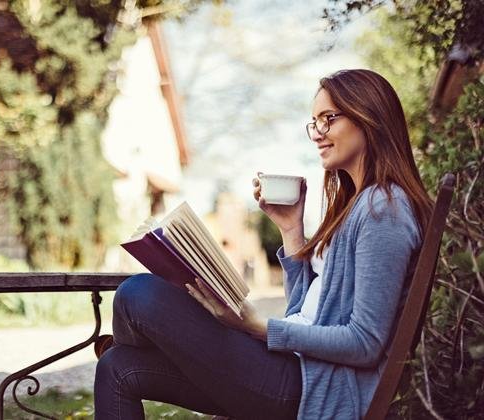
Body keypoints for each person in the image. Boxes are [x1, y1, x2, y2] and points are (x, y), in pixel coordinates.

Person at [94, 69, 433, 419]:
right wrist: (291, 230)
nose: (317, 133)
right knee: (118, 367)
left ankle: (160, 344)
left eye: (328, 119)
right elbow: (304, 312)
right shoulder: (357, 206)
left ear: (369, 117)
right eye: (314, 123)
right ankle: (153, 345)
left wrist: (256, 328)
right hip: (294, 372)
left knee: (139, 294)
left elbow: (365, 343)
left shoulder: (383, 210)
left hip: (310, 389)